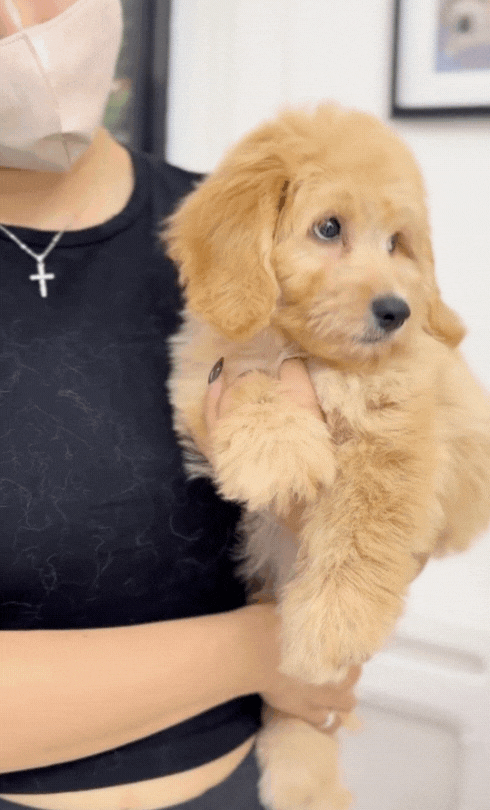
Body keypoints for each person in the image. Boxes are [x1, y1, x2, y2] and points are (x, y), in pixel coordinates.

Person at [0, 1, 360, 808]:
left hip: (244, 786)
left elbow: (368, 559)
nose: (18, 25)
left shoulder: (256, 238)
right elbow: (299, 644)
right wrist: (257, 650)